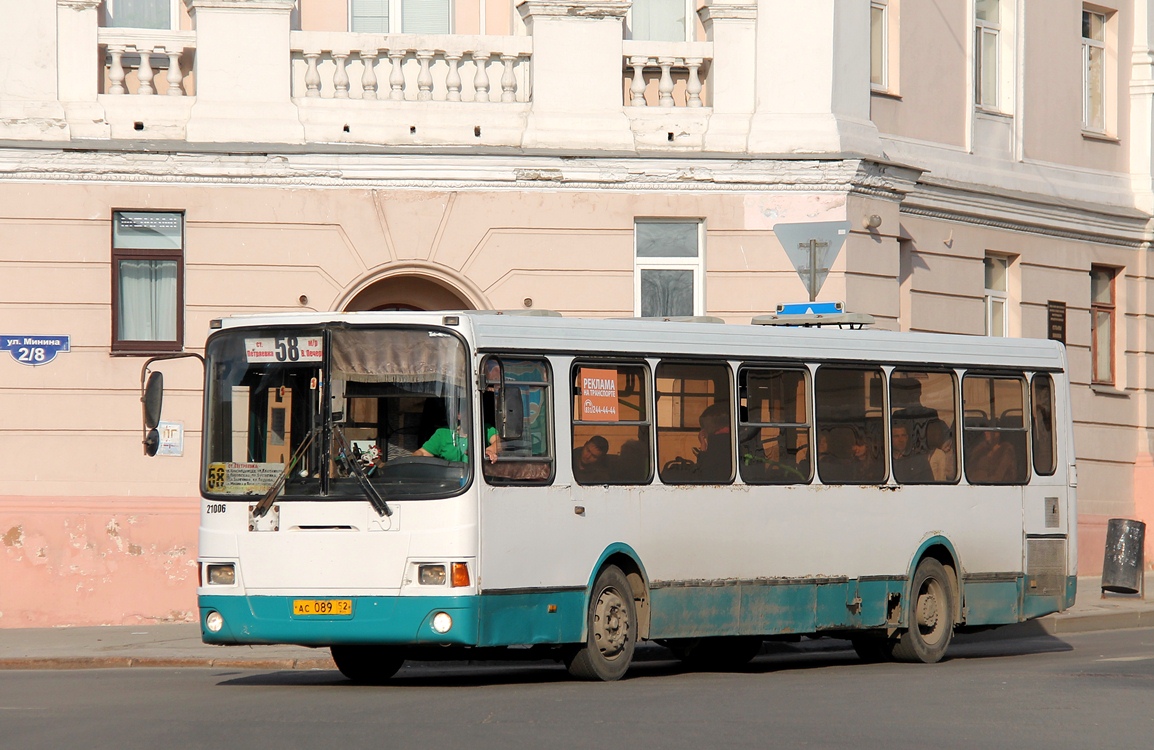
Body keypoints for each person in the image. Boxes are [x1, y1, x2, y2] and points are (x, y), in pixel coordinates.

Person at [415, 419, 498, 463]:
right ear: (458, 415)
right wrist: (411, 460)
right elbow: (422, 452)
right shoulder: (443, 433)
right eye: (464, 410)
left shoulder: (486, 428)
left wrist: (488, 451)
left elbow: (499, 443)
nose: (471, 415)